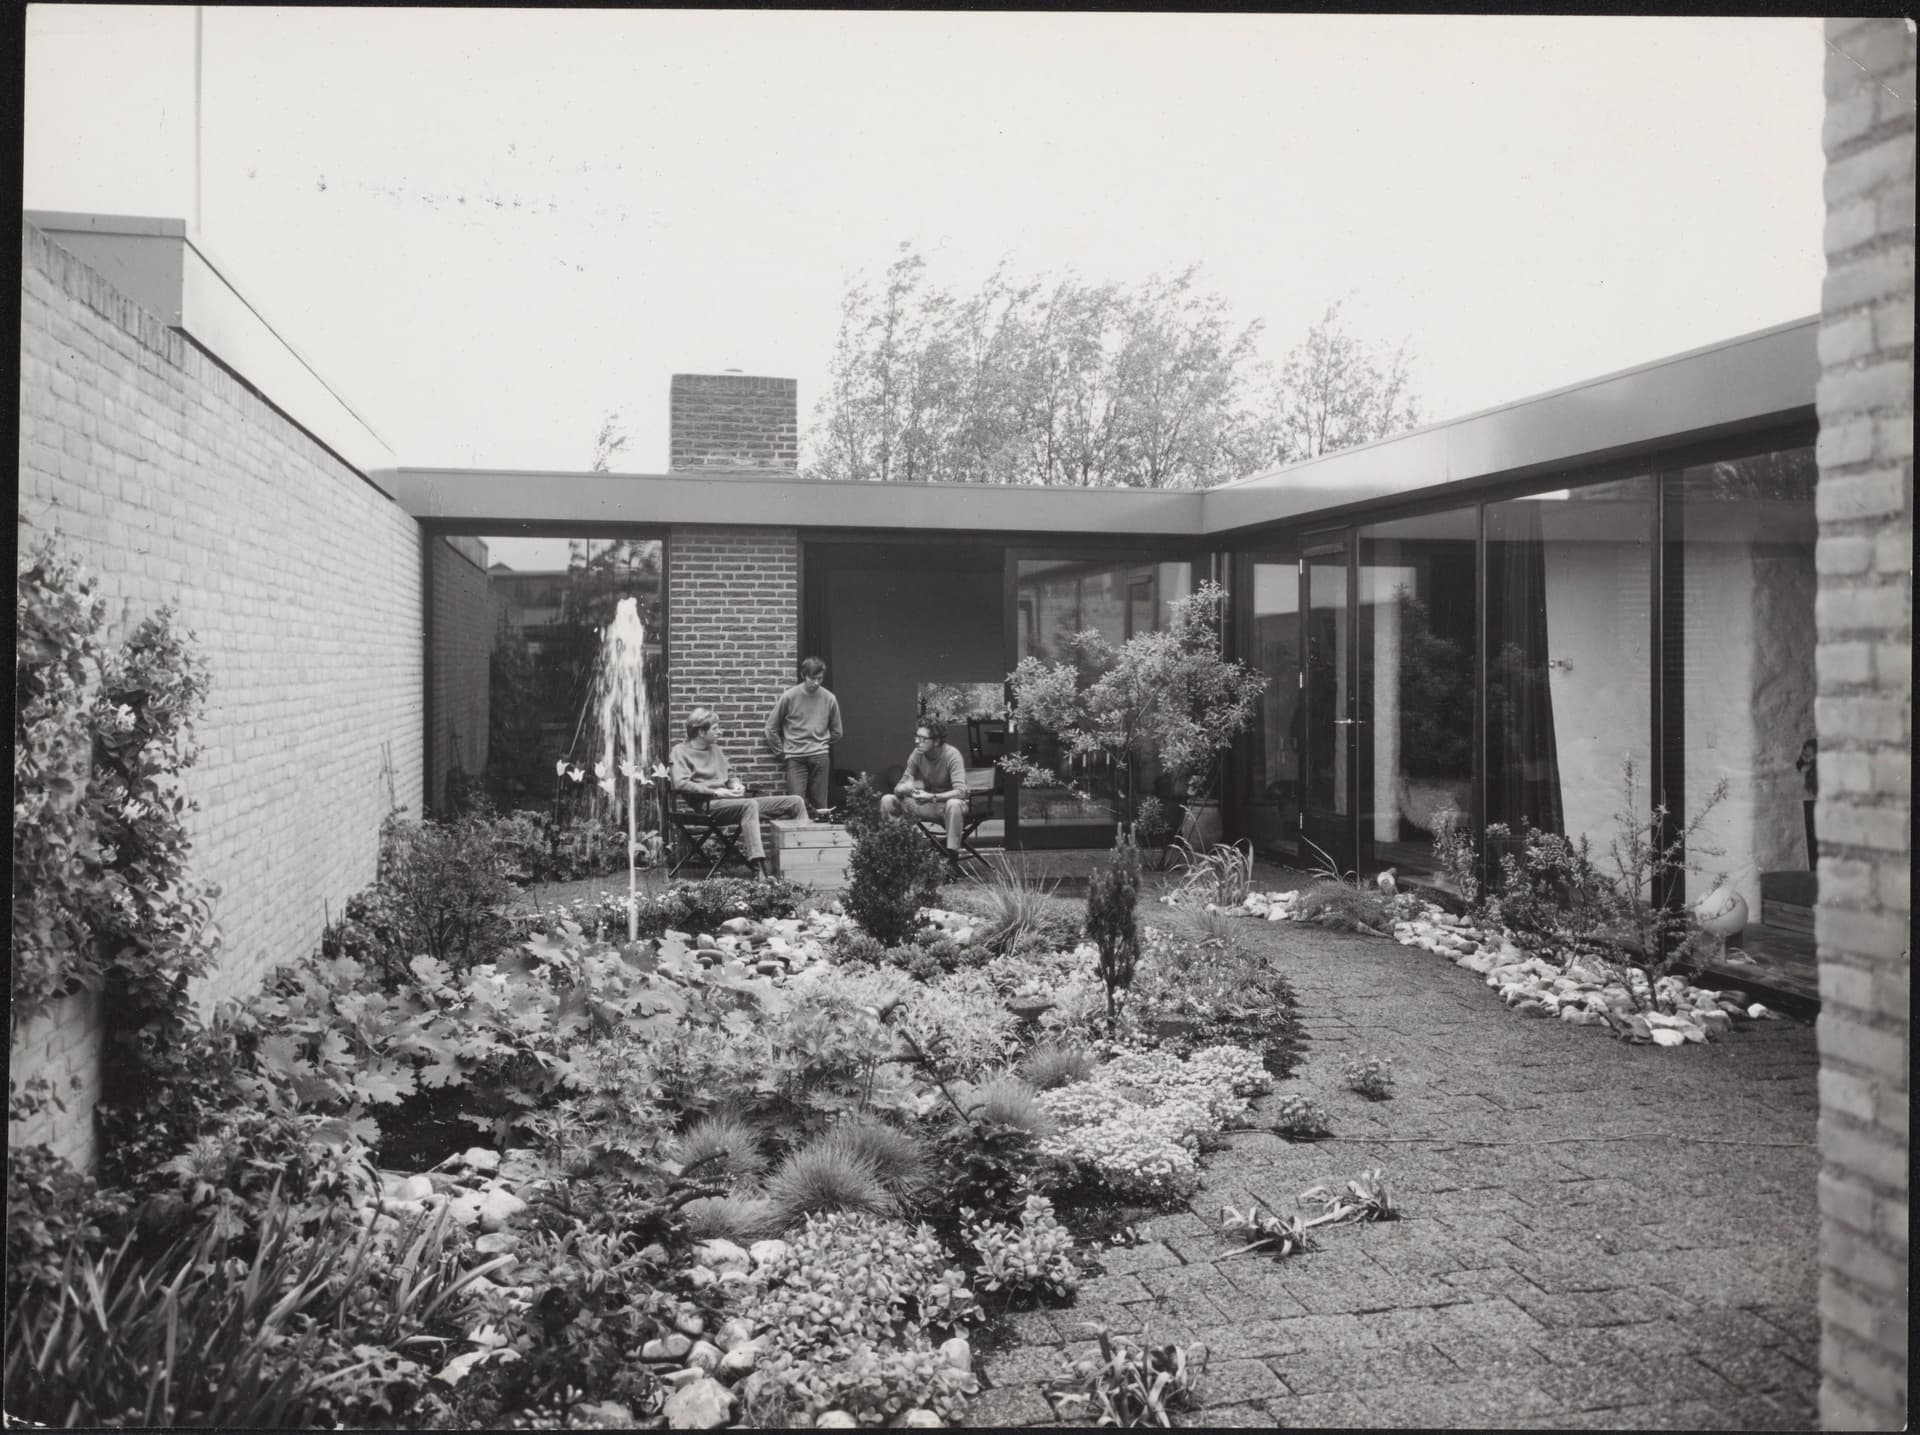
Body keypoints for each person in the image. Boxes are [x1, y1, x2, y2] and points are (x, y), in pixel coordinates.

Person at [669, 707, 807, 876]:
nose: (719, 732)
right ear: (701, 732)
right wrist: (716, 792)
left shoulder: (716, 750)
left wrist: (735, 785)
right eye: (715, 728)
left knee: (795, 802)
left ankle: (804, 860)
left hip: (732, 802)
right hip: (708, 807)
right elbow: (680, 784)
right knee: (749, 805)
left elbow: (730, 775)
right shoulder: (680, 752)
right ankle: (758, 867)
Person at [880, 718, 970, 876]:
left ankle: (952, 862)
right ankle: (895, 855)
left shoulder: (952, 755)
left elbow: (961, 792)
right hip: (927, 804)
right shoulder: (917, 754)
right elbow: (899, 787)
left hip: (948, 807)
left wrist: (932, 797)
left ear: (936, 741)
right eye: (916, 737)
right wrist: (905, 788)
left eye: (922, 738)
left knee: (954, 803)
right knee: (887, 800)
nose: (917, 741)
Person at [764, 657, 843, 817]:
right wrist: (782, 753)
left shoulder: (829, 698)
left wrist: (820, 742)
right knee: (795, 802)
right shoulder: (789, 696)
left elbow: (837, 731)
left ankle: (820, 841)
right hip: (795, 758)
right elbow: (771, 727)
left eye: (819, 678)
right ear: (803, 675)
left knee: (821, 805)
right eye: (812, 678)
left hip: (819, 757)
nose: (816, 683)